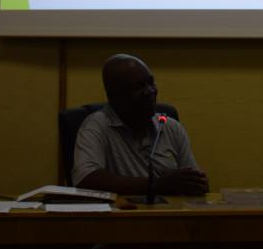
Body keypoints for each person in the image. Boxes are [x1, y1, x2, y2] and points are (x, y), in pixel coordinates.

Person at [73, 54, 209, 196]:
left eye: (151, 83)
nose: (150, 91)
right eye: (138, 86)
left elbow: (195, 183)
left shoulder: (170, 127)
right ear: (114, 96)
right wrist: (155, 184)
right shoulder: (97, 125)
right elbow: (85, 179)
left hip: (170, 209)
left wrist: (197, 182)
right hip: (124, 210)